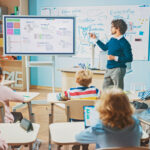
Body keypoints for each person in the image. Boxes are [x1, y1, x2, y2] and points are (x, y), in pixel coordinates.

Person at [75, 88, 142, 149]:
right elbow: (140, 134)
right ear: (127, 104)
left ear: (103, 106)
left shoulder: (99, 128)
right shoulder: (135, 124)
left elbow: (78, 138)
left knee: (99, 142)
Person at [89, 19, 133, 90]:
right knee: (105, 90)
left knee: (117, 92)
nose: (111, 29)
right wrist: (95, 38)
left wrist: (115, 58)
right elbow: (104, 47)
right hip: (109, 68)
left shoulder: (124, 43)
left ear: (117, 28)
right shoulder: (112, 40)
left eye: (112, 27)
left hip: (118, 69)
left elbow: (129, 58)